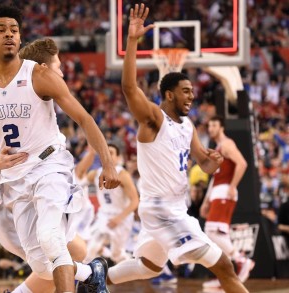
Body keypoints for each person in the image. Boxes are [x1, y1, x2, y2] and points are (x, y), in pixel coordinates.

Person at [0, 5, 119, 292]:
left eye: (14, 30)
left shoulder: (38, 74)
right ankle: (91, 273)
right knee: (40, 265)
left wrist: (107, 163)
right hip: (16, 177)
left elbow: (84, 118)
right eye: (1, 30)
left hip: (50, 166)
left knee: (51, 239)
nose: (10, 35)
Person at [105, 4, 248, 293]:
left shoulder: (188, 127)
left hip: (173, 207)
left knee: (149, 266)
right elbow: (130, 89)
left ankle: (90, 280)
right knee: (224, 267)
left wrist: (213, 162)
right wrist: (132, 41)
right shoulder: (154, 119)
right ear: (168, 94)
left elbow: (203, 165)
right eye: (186, 91)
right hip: (162, 211)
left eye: (193, 91)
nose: (192, 96)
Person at [0, 38, 93, 293]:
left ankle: (90, 274)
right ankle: (90, 273)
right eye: (58, 66)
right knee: (47, 259)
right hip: (0, 190)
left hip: (38, 174)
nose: (61, 73)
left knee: (62, 247)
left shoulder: (39, 94)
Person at [200, 115, 254, 289]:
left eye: (214, 125)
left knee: (211, 231)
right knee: (216, 235)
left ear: (221, 127)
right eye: (209, 125)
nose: (211, 128)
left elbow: (242, 163)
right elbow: (215, 178)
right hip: (217, 191)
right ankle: (226, 276)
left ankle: (241, 260)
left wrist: (232, 186)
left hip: (225, 192)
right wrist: (206, 200)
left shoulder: (227, 144)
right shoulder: (217, 147)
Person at [85, 144, 139, 264]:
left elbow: (135, 201)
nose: (107, 155)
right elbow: (79, 180)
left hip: (121, 216)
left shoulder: (122, 175)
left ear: (118, 157)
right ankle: (84, 280)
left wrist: (119, 218)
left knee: (117, 255)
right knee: (90, 249)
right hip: (104, 215)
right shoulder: (94, 173)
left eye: (111, 152)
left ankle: (133, 266)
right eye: (105, 152)